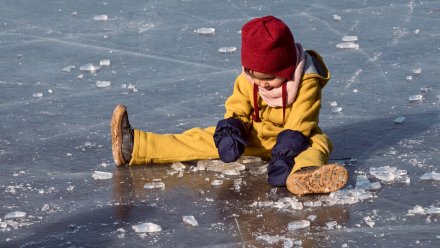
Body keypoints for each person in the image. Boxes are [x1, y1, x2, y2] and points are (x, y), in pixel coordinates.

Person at [111, 16, 348, 195]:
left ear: (286, 69)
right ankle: (136, 146)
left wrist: (285, 154)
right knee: (201, 138)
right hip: (256, 133)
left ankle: (303, 174)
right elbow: (238, 106)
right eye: (254, 77)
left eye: (269, 79)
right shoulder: (249, 79)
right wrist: (232, 132)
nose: (261, 85)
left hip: (295, 140)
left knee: (319, 144)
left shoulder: (307, 81)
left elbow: (301, 122)